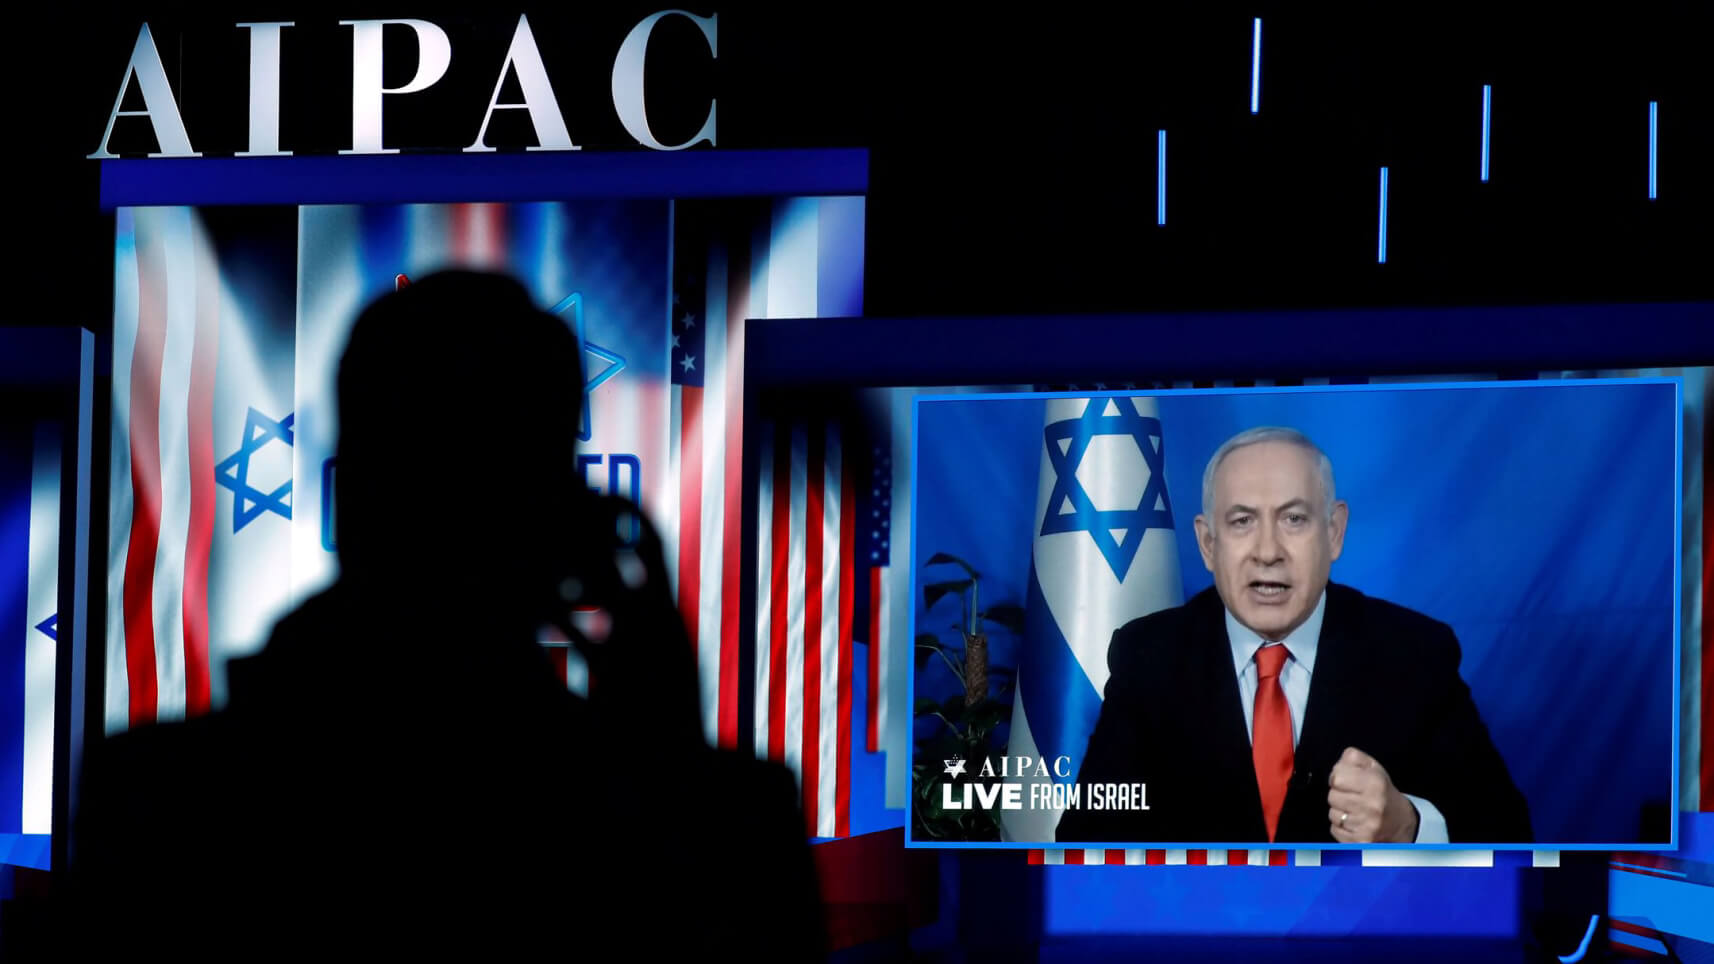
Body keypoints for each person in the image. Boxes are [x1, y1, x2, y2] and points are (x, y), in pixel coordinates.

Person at [68, 271, 824, 958]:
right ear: (558, 514)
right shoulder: (708, 827)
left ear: (348, 498)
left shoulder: (154, 804)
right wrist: (676, 762)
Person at [1056, 426, 1530, 845]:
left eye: (1294, 519)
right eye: (1242, 521)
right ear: (1207, 543)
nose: (1267, 552)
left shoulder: (1414, 656)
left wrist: (1408, 825)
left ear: (1335, 532)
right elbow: (1084, 844)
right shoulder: (1148, 659)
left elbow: (1510, 836)